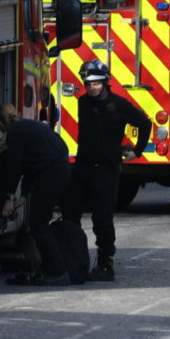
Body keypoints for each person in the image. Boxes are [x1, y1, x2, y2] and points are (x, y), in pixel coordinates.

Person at [65, 60, 151, 282]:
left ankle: (105, 265)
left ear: (105, 82)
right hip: (83, 166)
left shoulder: (119, 105)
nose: (91, 87)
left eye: (95, 83)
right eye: (87, 83)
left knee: (102, 219)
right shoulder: (83, 102)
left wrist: (138, 151)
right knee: (70, 213)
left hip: (106, 170)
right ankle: (71, 259)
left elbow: (144, 123)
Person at [0, 103, 73, 286]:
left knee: (38, 224)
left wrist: (8, 197)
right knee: (38, 223)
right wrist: (23, 195)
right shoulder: (30, 126)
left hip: (51, 175)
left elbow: (15, 167)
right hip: (60, 170)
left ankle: (57, 272)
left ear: (2, 121)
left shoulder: (14, 133)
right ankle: (47, 269)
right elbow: (31, 165)